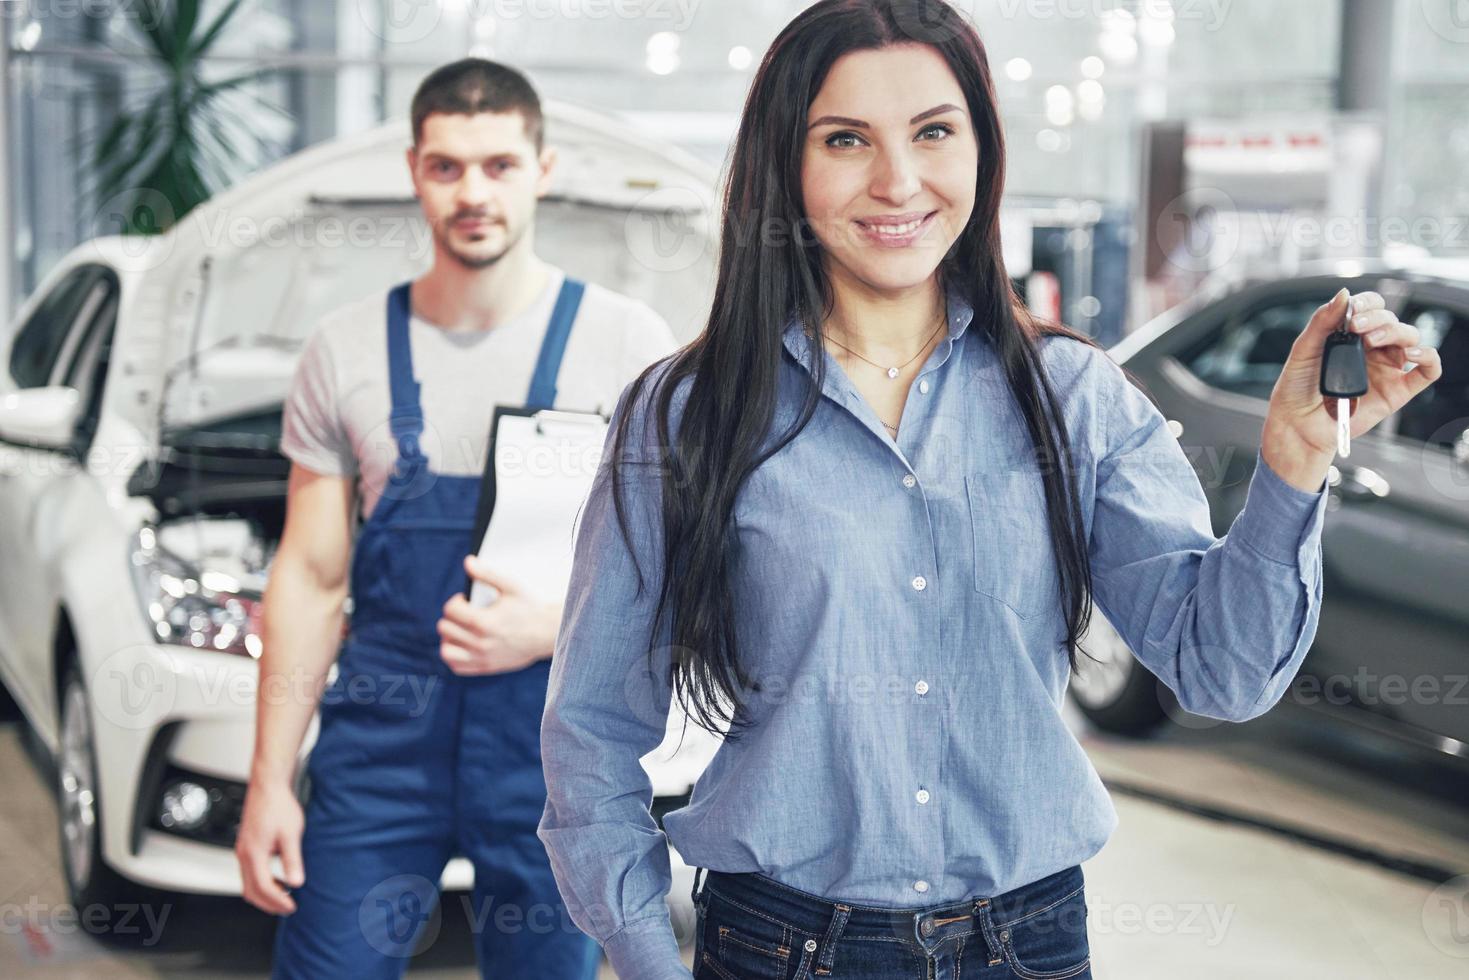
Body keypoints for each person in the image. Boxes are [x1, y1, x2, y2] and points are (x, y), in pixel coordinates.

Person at [535, 2, 1443, 979]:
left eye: (932, 131)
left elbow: (1220, 672)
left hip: (1027, 944)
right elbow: (590, 726)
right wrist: (640, 954)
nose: (896, 180)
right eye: (845, 139)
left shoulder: (1073, 399)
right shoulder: (686, 412)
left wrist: (1294, 458)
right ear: (783, 168)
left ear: (980, 150)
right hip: (777, 945)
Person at [234, 58, 679, 979]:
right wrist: (271, 781)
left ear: (542, 170)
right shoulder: (344, 348)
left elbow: (680, 567)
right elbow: (311, 580)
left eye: (498, 166)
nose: (473, 193)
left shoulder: (627, 344)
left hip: (551, 753)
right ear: (414, 170)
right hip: (379, 745)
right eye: (447, 167)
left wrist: (553, 626)